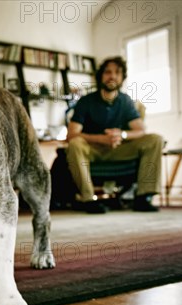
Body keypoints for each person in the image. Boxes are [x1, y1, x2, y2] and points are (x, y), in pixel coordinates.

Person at [66, 56, 163, 214]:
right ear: (101, 76)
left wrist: (122, 134)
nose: (112, 76)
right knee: (75, 143)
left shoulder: (125, 101)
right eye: (108, 72)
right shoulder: (86, 101)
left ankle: (144, 196)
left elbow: (141, 130)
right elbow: (71, 134)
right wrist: (101, 139)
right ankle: (88, 199)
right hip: (92, 151)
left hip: (119, 149)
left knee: (155, 139)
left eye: (117, 73)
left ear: (122, 77)